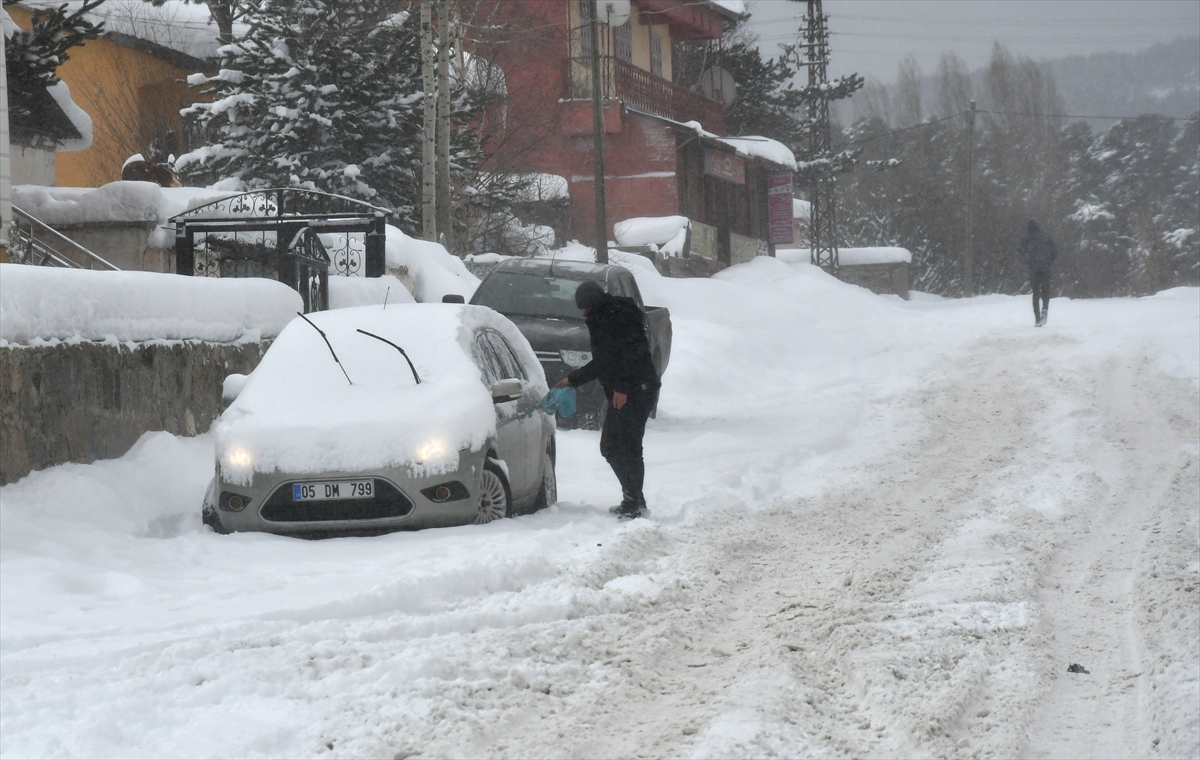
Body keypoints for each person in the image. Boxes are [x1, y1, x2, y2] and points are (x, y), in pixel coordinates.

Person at [556, 280, 661, 519]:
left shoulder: (616, 317)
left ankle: (634, 503)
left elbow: (631, 353)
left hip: (637, 391)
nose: (581, 313)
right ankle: (634, 498)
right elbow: (605, 361)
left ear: (590, 304)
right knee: (614, 446)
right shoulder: (604, 316)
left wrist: (622, 387)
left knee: (627, 447)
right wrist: (573, 379)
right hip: (629, 390)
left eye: (583, 307)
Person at [1019, 220, 1058, 327]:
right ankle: (1045, 308)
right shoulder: (1046, 237)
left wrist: (1028, 261)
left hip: (1033, 269)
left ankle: (1037, 318)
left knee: (1036, 292)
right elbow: (1055, 251)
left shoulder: (1027, 238)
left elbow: (1021, 252)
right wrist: (1049, 261)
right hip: (1045, 267)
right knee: (1045, 290)